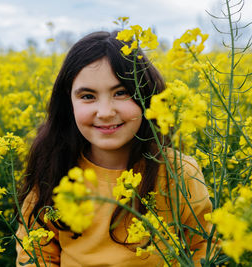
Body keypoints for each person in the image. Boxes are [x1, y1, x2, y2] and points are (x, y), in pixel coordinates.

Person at [16, 30, 214, 267]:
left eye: (121, 93)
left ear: (147, 96)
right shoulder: (53, 170)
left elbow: (204, 247)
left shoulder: (178, 172)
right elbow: (36, 256)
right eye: (88, 96)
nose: (106, 112)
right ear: (68, 104)